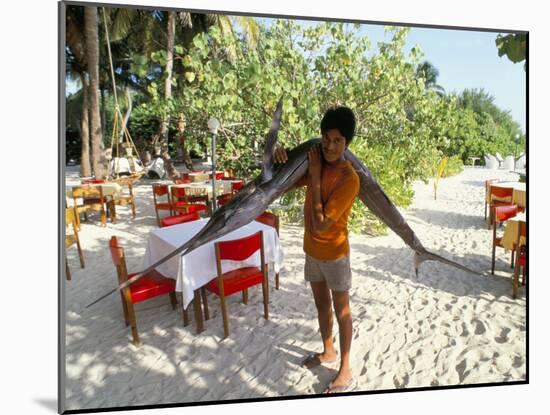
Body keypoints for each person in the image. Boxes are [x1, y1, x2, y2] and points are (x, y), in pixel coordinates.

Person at [274, 106, 360, 393]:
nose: (331, 146)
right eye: (326, 138)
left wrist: (313, 172)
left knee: (342, 310)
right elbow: (281, 186)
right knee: (321, 305)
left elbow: (322, 224)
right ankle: (328, 351)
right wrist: (281, 160)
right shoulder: (315, 162)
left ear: (347, 143)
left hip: (336, 254)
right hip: (311, 251)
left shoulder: (350, 178)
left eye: (338, 140)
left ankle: (345, 368)